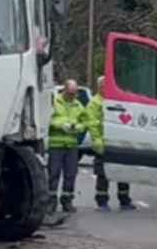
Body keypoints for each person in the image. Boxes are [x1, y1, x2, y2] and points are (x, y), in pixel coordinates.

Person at [85, 76, 134, 211]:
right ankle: (102, 201)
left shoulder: (117, 100)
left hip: (118, 141)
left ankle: (124, 200)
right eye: (102, 86)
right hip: (104, 142)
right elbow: (93, 124)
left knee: (123, 172)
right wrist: (98, 142)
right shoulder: (95, 103)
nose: (104, 89)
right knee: (103, 175)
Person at [47, 79, 88, 213]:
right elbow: (48, 119)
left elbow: (85, 121)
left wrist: (79, 128)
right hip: (56, 143)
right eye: (70, 93)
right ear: (64, 90)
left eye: (74, 93)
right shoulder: (54, 102)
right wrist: (61, 125)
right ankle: (51, 201)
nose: (72, 96)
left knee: (70, 175)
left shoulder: (78, 105)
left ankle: (67, 201)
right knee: (54, 173)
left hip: (71, 144)